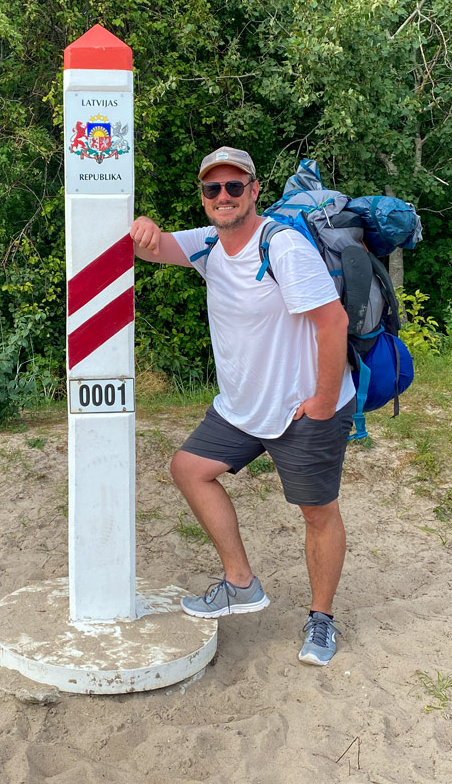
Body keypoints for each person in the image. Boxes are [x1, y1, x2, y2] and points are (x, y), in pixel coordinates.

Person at [130, 146, 357, 667]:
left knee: (317, 513)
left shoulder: (284, 249)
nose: (224, 196)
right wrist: (140, 225)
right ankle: (240, 582)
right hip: (241, 407)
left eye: (235, 187)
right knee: (189, 469)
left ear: (255, 191)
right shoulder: (208, 243)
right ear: (205, 198)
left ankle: (321, 618)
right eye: (214, 189)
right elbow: (153, 247)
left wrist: (323, 402)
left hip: (302, 406)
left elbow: (333, 323)